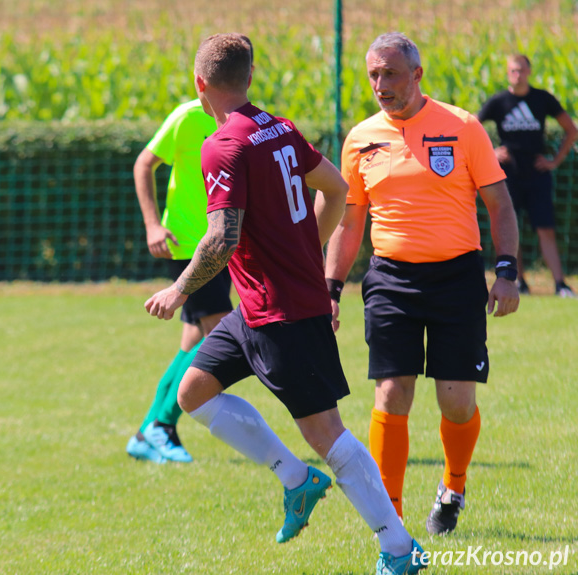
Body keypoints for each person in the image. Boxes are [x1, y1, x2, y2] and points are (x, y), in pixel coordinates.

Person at [146, 33, 425, 574]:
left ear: (199, 84)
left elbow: (222, 237)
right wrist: (307, 249)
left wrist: (178, 288)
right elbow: (337, 188)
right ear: (249, 79)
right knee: (194, 393)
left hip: (285, 313)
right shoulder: (278, 126)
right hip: (253, 308)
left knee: (326, 434)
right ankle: (296, 481)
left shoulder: (223, 144)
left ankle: (399, 548)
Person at [324, 32, 520, 536]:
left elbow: (499, 205)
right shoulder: (361, 138)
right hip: (390, 277)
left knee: (456, 400)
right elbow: (350, 224)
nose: (380, 84)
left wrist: (506, 272)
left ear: (417, 74)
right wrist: (329, 287)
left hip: (456, 276)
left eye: (389, 73)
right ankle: (391, 520)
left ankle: (453, 487)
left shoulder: (462, 127)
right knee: (391, 391)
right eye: (372, 74)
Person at [126, 99, 234, 463]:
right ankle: (159, 426)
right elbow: (144, 162)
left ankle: (152, 429)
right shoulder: (188, 116)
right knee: (219, 332)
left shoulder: (243, 116)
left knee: (195, 338)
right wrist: (152, 224)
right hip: (190, 245)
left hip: (221, 243)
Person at [478, 53, 578, 297]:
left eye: (521, 70)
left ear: (529, 72)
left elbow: (571, 130)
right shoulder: (498, 102)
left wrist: (554, 161)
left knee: (545, 228)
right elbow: (470, 127)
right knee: (510, 227)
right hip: (507, 175)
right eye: (513, 70)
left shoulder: (542, 99)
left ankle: (560, 284)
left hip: (537, 173)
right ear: (507, 72)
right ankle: (518, 280)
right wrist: (491, 152)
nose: (517, 74)